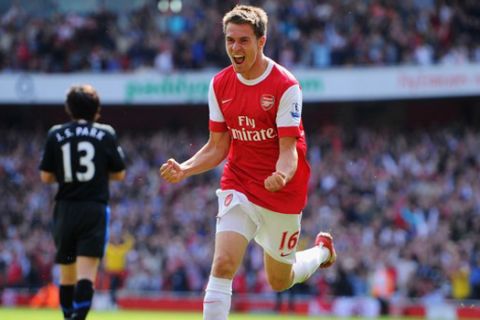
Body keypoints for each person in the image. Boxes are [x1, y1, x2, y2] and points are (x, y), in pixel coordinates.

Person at [159, 5, 336, 319]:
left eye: (243, 41)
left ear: (261, 41)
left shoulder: (285, 85)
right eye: (230, 41)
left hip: (282, 190)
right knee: (223, 264)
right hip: (238, 183)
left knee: (279, 280)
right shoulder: (219, 85)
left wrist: (281, 175)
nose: (235, 48)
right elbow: (217, 147)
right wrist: (186, 168)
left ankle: (322, 252)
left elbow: (288, 149)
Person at [39, 84, 126, 320]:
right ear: (97, 109)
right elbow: (119, 173)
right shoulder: (105, 133)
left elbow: (46, 176)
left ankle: (69, 317)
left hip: (65, 209)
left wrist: (68, 175)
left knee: (67, 276)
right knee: (86, 275)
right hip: (94, 209)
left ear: (69, 108)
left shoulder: (55, 133)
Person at [103, 231, 134, 308]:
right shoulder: (109, 248)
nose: (116, 241)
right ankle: (112, 303)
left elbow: (131, 243)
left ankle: (113, 303)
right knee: (111, 288)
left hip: (119, 273)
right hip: (110, 272)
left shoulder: (121, 249)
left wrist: (125, 235)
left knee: (115, 289)